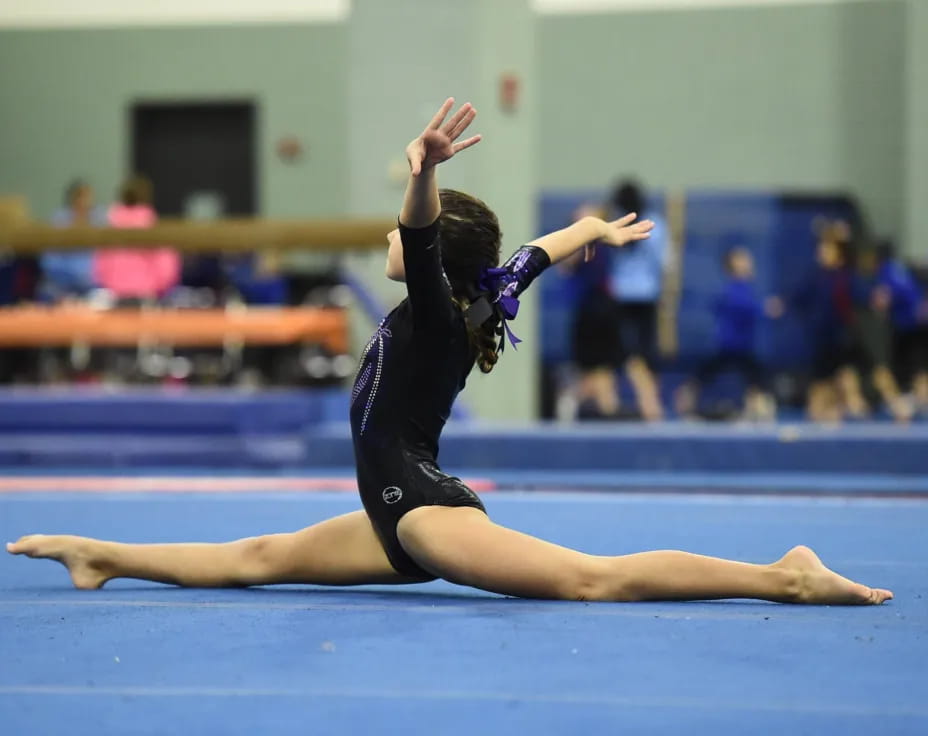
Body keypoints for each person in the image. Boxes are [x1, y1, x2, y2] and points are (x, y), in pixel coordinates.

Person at [7, 99, 890, 606]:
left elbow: (427, 235)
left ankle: (785, 577)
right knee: (261, 557)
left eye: (404, 230)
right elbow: (537, 250)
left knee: (592, 580)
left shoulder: (436, 310)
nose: (393, 236)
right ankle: (105, 555)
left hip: (423, 513)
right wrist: (591, 229)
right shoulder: (481, 295)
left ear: (433, 252)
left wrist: (424, 171)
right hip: (393, 515)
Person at [674, 247, 782, 420]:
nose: (748, 263)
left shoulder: (746, 287)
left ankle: (757, 407)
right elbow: (742, 306)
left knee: (754, 376)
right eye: (743, 260)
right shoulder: (731, 288)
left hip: (743, 345)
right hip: (729, 343)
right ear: (733, 265)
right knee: (710, 373)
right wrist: (765, 308)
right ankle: (686, 397)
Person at [607, 180, 669, 421]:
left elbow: (610, 259)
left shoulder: (615, 223)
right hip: (645, 293)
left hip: (621, 294)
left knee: (626, 353)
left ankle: (641, 401)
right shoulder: (655, 224)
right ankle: (650, 403)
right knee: (646, 351)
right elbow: (662, 262)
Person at [93, 175, 180, 301]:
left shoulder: (110, 225)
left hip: (115, 293)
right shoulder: (152, 226)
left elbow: (100, 265)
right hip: (145, 293)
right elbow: (166, 267)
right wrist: (160, 288)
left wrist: (108, 283)